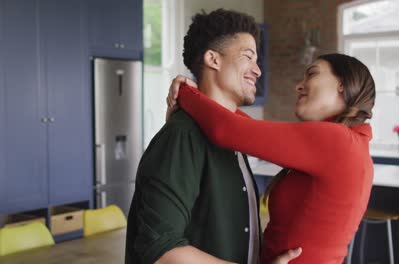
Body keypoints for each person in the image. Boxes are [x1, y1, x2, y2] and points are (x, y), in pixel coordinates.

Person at [125, 9, 300, 264]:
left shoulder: (233, 136)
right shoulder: (181, 136)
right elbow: (161, 250)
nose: (258, 71)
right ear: (213, 60)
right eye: (247, 57)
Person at [166, 53, 376, 264]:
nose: (299, 86)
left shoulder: (338, 142)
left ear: (343, 84)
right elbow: (244, 128)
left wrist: (184, 92)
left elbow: (226, 129)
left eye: (311, 74)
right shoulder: (349, 145)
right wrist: (204, 96)